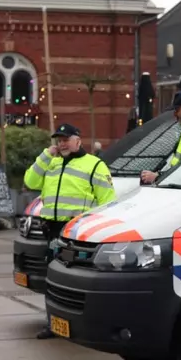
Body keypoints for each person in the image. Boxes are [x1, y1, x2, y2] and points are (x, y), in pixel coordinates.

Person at [23, 123, 117, 339]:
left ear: (78, 140)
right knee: (53, 280)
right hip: (53, 231)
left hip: (78, 234)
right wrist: (46, 155)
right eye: (59, 139)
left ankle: (85, 324)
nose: (62, 143)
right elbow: (30, 181)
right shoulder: (52, 163)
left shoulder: (94, 165)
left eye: (66, 139)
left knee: (77, 282)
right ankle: (53, 324)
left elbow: (107, 201)